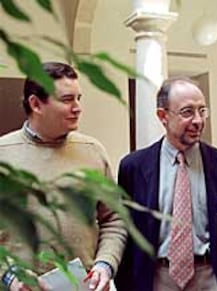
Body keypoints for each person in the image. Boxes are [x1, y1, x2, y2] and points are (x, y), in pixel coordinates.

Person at [114, 77, 217, 291]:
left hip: (211, 278)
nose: (198, 120)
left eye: (202, 111)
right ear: (163, 116)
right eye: (187, 112)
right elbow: (125, 232)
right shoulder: (133, 168)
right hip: (157, 279)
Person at [0, 62, 127, 291]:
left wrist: (105, 265)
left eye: (79, 98)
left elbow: (114, 220)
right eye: (67, 99)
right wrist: (10, 276)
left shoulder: (93, 151)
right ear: (36, 104)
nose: (78, 107)